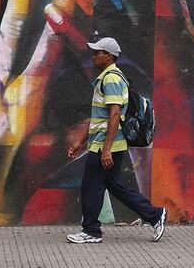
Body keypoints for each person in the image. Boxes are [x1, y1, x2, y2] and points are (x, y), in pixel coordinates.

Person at [65, 37, 166, 244]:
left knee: (91, 186)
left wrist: (106, 150)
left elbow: (114, 115)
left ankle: (91, 231)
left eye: (97, 52)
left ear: (109, 56)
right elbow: (98, 117)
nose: (94, 56)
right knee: (115, 185)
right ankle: (155, 215)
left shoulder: (111, 79)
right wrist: (81, 142)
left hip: (106, 144)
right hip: (104, 142)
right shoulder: (108, 77)